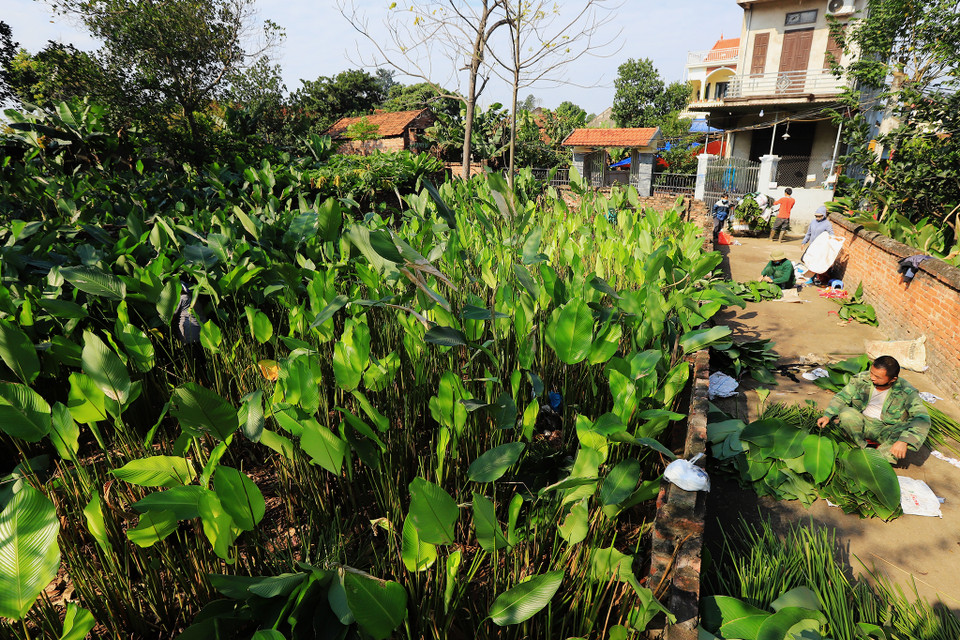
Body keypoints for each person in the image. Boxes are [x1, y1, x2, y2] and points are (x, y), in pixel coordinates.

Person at [816, 355, 930, 463]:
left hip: (886, 429)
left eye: (878, 377)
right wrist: (827, 415)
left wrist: (904, 441)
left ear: (892, 379)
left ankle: (877, 460)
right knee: (846, 413)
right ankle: (861, 447)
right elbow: (842, 397)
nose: (872, 378)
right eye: (872, 373)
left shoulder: (906, 391)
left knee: (903, 430)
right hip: (861, 422)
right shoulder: (862, 379)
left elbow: (922, 417)